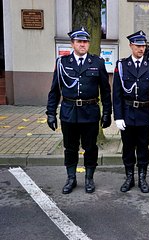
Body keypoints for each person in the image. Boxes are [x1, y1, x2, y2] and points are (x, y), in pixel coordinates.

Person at [46, 27, 112, 194]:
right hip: (69, 112)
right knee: (70, 148)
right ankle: (71, 178)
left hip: (90, 112)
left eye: (85, 41)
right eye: (79, 41)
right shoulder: (62, 63)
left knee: (90, 147)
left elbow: (105, 90)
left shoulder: (97, 63)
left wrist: (106, 113)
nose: (83, 44)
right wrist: (50, 113)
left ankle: (89, 178)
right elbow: (54, 90)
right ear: (72, 43)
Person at [113, 30, 149, 193]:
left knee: (143, 147)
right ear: (131, 46)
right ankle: (129, 177)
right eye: (137, 45)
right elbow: (117, 93)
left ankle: (142, 177)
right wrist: (118, 116)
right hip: (127, 113)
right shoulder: (122, 65)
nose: (141, 48)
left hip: (145, 113)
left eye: (143, 45)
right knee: (127, 147)